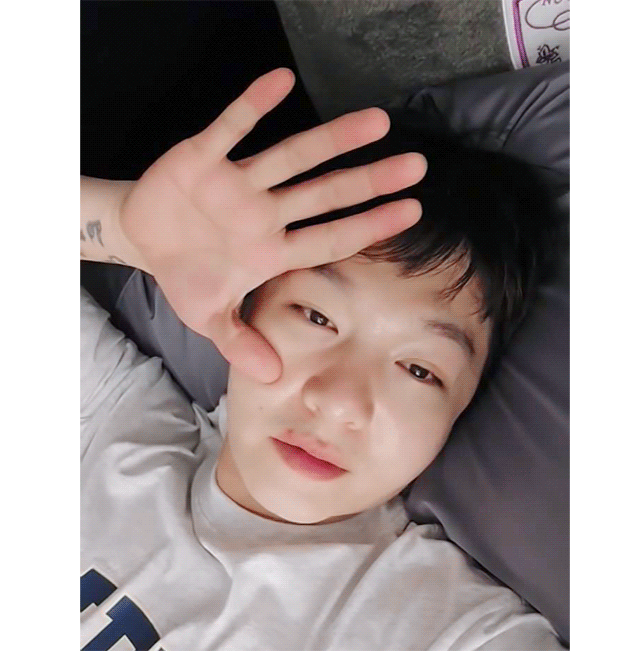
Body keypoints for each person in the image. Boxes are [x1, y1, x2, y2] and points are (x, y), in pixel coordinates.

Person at [81, 69, 562, 650]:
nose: (338, 402)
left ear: (460, 412)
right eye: (316, 317)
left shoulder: (451, 630)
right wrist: (122, 227)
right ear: (248, 306)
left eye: (419, 370)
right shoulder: (107, 423)